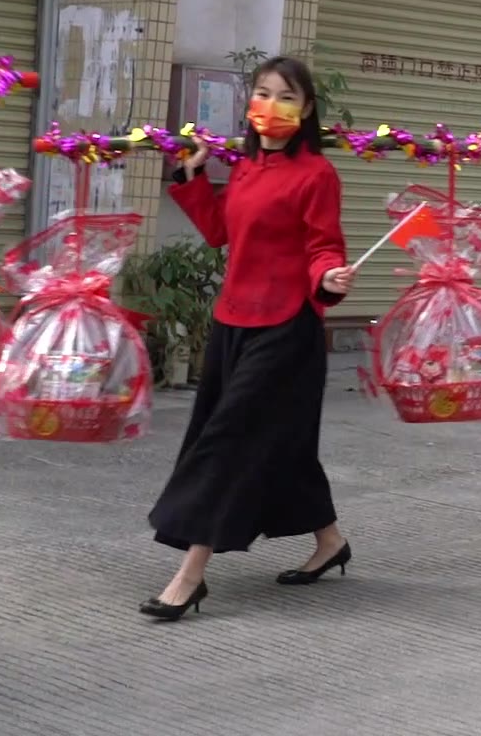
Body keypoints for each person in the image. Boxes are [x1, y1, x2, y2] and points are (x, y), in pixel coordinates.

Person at [144, 56, 355, 621]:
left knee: (227, 440)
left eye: (286, 96)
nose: (271, 106)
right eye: (262, 93)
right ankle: (330, 542)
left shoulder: (316, 174)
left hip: (286, 327)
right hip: (234, 320)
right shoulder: (244, 166)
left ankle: (191, 575)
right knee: (280, 446)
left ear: (307, 108)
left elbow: (322, 247)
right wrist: (190, 176)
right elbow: (219, 232)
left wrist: (328, 277)